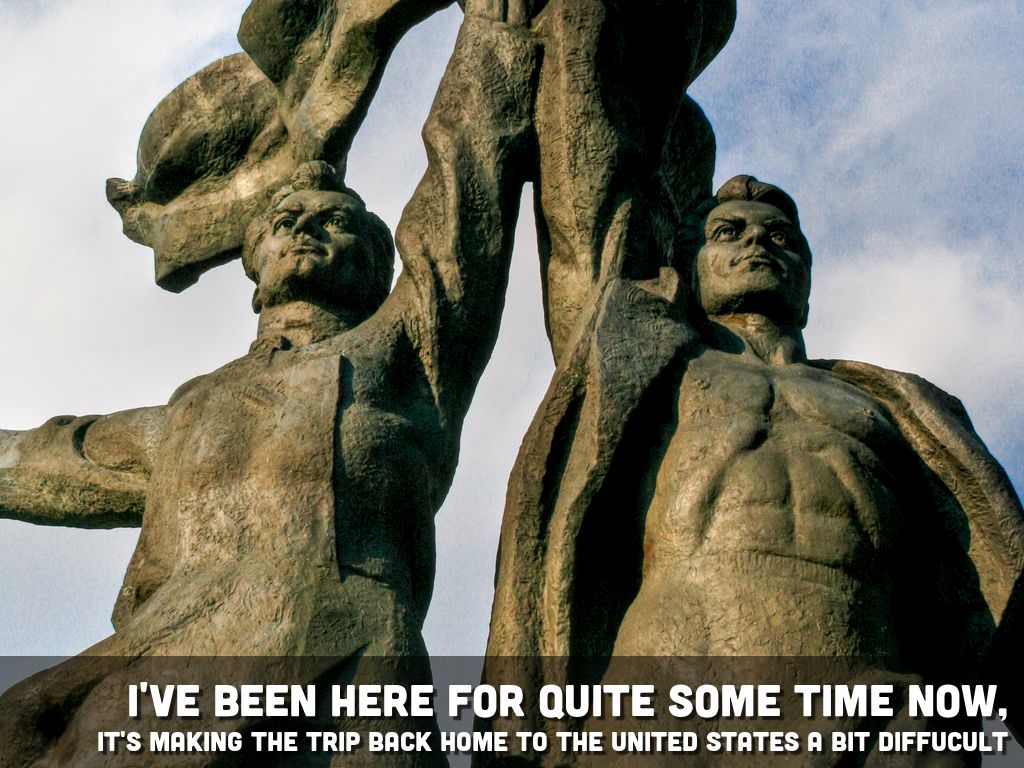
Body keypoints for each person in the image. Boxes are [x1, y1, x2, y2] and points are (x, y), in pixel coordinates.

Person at [0, 8, 540, 762]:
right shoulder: (192, 406)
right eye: (286, 221)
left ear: (377, 269)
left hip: (349, 660)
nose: (306, 230)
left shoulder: (407, 352)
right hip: (174, 659)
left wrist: (492, 37)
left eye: (335, 223)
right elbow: (51, 455)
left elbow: (461, 196)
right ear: (255, 267)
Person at [482, 176, 1024, 765]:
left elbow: (961, 579)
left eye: (781, 237)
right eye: (728, 232)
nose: (758, 244)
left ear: (807, 282)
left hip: (865, 679)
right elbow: (587, 213)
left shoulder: (892, 405)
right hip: (673, 683)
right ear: (690, 267)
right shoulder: (655, 362)